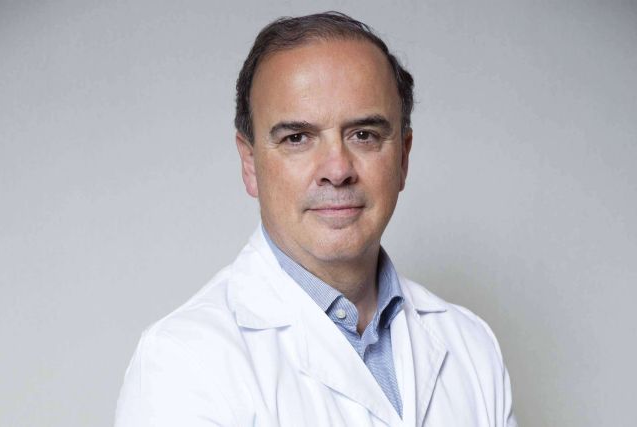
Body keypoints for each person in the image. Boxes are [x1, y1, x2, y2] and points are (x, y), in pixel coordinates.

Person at [115, 12, 517, 426]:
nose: (337, 170)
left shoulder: (471, 346)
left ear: (403, 158)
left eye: (364, 134)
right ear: (250, 163)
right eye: (297, 138)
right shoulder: (181, 363)